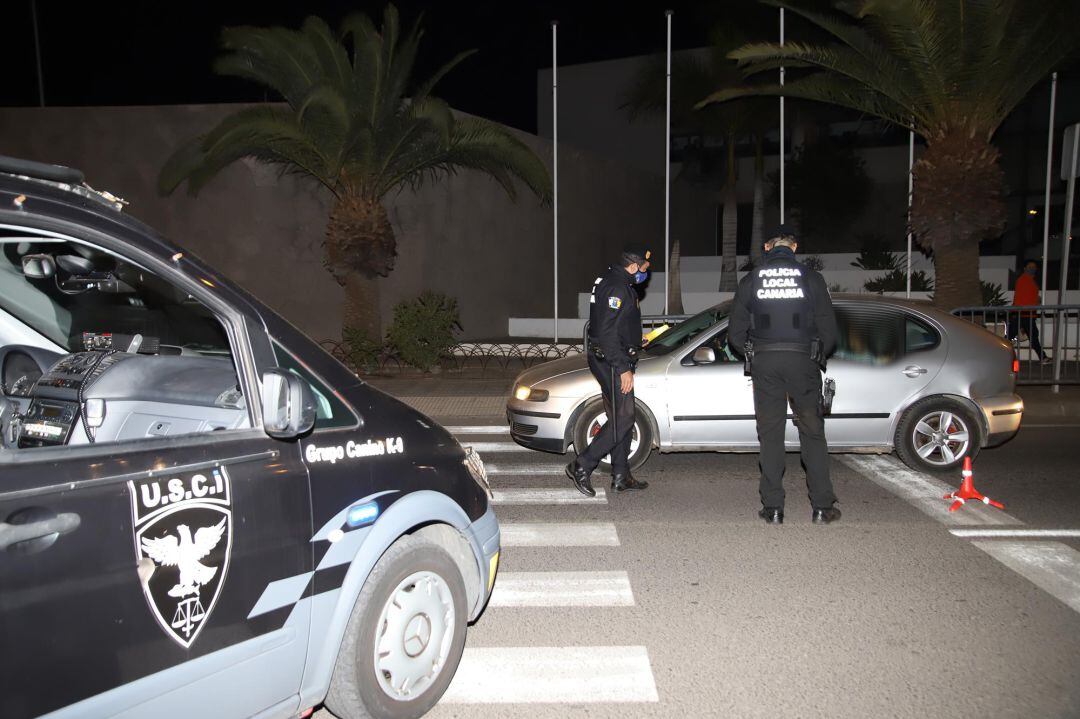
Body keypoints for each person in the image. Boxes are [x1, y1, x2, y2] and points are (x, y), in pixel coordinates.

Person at [729, 225, 841, 524]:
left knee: (771, 435)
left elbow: (735, 334)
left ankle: (773, 508)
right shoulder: (812, 279)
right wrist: (817, 355)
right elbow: (829, 330)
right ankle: (822, 506)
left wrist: (754, 353)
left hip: (765, 362)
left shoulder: (751, 280)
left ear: (767, 247)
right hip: (803, 361)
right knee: (812, 433)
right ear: (793, 247)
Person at [566, 248, 651, 496]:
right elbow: (606, 332)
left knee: (622, 418)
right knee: (624, 419)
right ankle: (581, 465)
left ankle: (621, 474)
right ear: (633, 266)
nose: (646, 273)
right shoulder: (618, 288)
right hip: (611, 361)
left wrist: (636, 340)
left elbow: (614, 324)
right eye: (645, 268)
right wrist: (622, 368)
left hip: (612, 356)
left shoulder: (610, 280)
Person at [1008, 260, 1050, 364]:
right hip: (1024, 313)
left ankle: (1043, 357)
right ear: (1025, 268)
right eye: (1030, 267)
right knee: (1031, 337)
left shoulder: (1028, 281)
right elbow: (1022, 298)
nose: (1032, 268)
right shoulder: (1024, 280)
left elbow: (1026, 296)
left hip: (1024, 313)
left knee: (1011, 336)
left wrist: (1036, 300)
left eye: (1034, 267)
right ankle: (1043, 357)